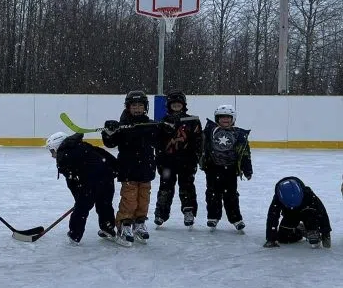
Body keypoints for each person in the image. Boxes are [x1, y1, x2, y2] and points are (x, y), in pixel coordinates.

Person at [101, 90, 162, 245]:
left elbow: (160, 142)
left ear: (145, 107)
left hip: (146, 168)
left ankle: (140, 222)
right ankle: (124, 223)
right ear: (128, 107)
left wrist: (166, 130)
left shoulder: (150, 124)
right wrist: (109, 131)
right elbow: (110, 143)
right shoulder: (122, 126)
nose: (137, 108)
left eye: (140, 105)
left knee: (144, 198)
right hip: (128, 168)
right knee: (129, 198)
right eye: (134, 105)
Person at [45, 131, 118, 244]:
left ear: (57, 146)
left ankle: (75, 234)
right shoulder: (82, 145)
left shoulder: (63, 156)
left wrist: (78, 198)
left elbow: (71, 181)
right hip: (106, 178)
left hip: (90, 182)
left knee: (81, 209)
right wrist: (116, 168)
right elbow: (102, 153)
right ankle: (108, 228)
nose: (52, 155)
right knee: (105, 204)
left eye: (52, 150)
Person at [153, 90, 203, 227]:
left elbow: (198, 140)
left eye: (178, 103)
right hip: (168, 162)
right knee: (165, 188)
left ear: (183, 105)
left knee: (187, 187)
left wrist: (197, 157)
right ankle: (161, 213)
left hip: (187, 161)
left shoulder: (192, 121)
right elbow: (157, 142)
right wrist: (159, 159)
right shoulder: (163, 122)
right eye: (173, 104)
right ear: (169, 106)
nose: (176, 106)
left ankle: (189, 211)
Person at [200, 104, 252, 231]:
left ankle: (236, 218)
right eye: (222, 117)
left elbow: (245, 153)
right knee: (213, 194)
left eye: (228, 117)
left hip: (230, 169)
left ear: (233, 119)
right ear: (217, 119)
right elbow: (199, 143)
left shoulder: (238, 134)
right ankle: (213, 217)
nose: (225, 120)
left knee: (231, 195)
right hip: (213, 168)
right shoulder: (210, 131)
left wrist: (247, 169)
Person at [263, 176, 332, 249]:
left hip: (307, 213)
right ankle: (300, 230)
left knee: (310, 214)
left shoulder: (308, 193)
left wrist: (325, 233)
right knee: (283, 238)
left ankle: (313, 231)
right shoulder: (278, 198)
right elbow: (272, 216)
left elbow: (322, 212)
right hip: (291, 215)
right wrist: (271, 239)